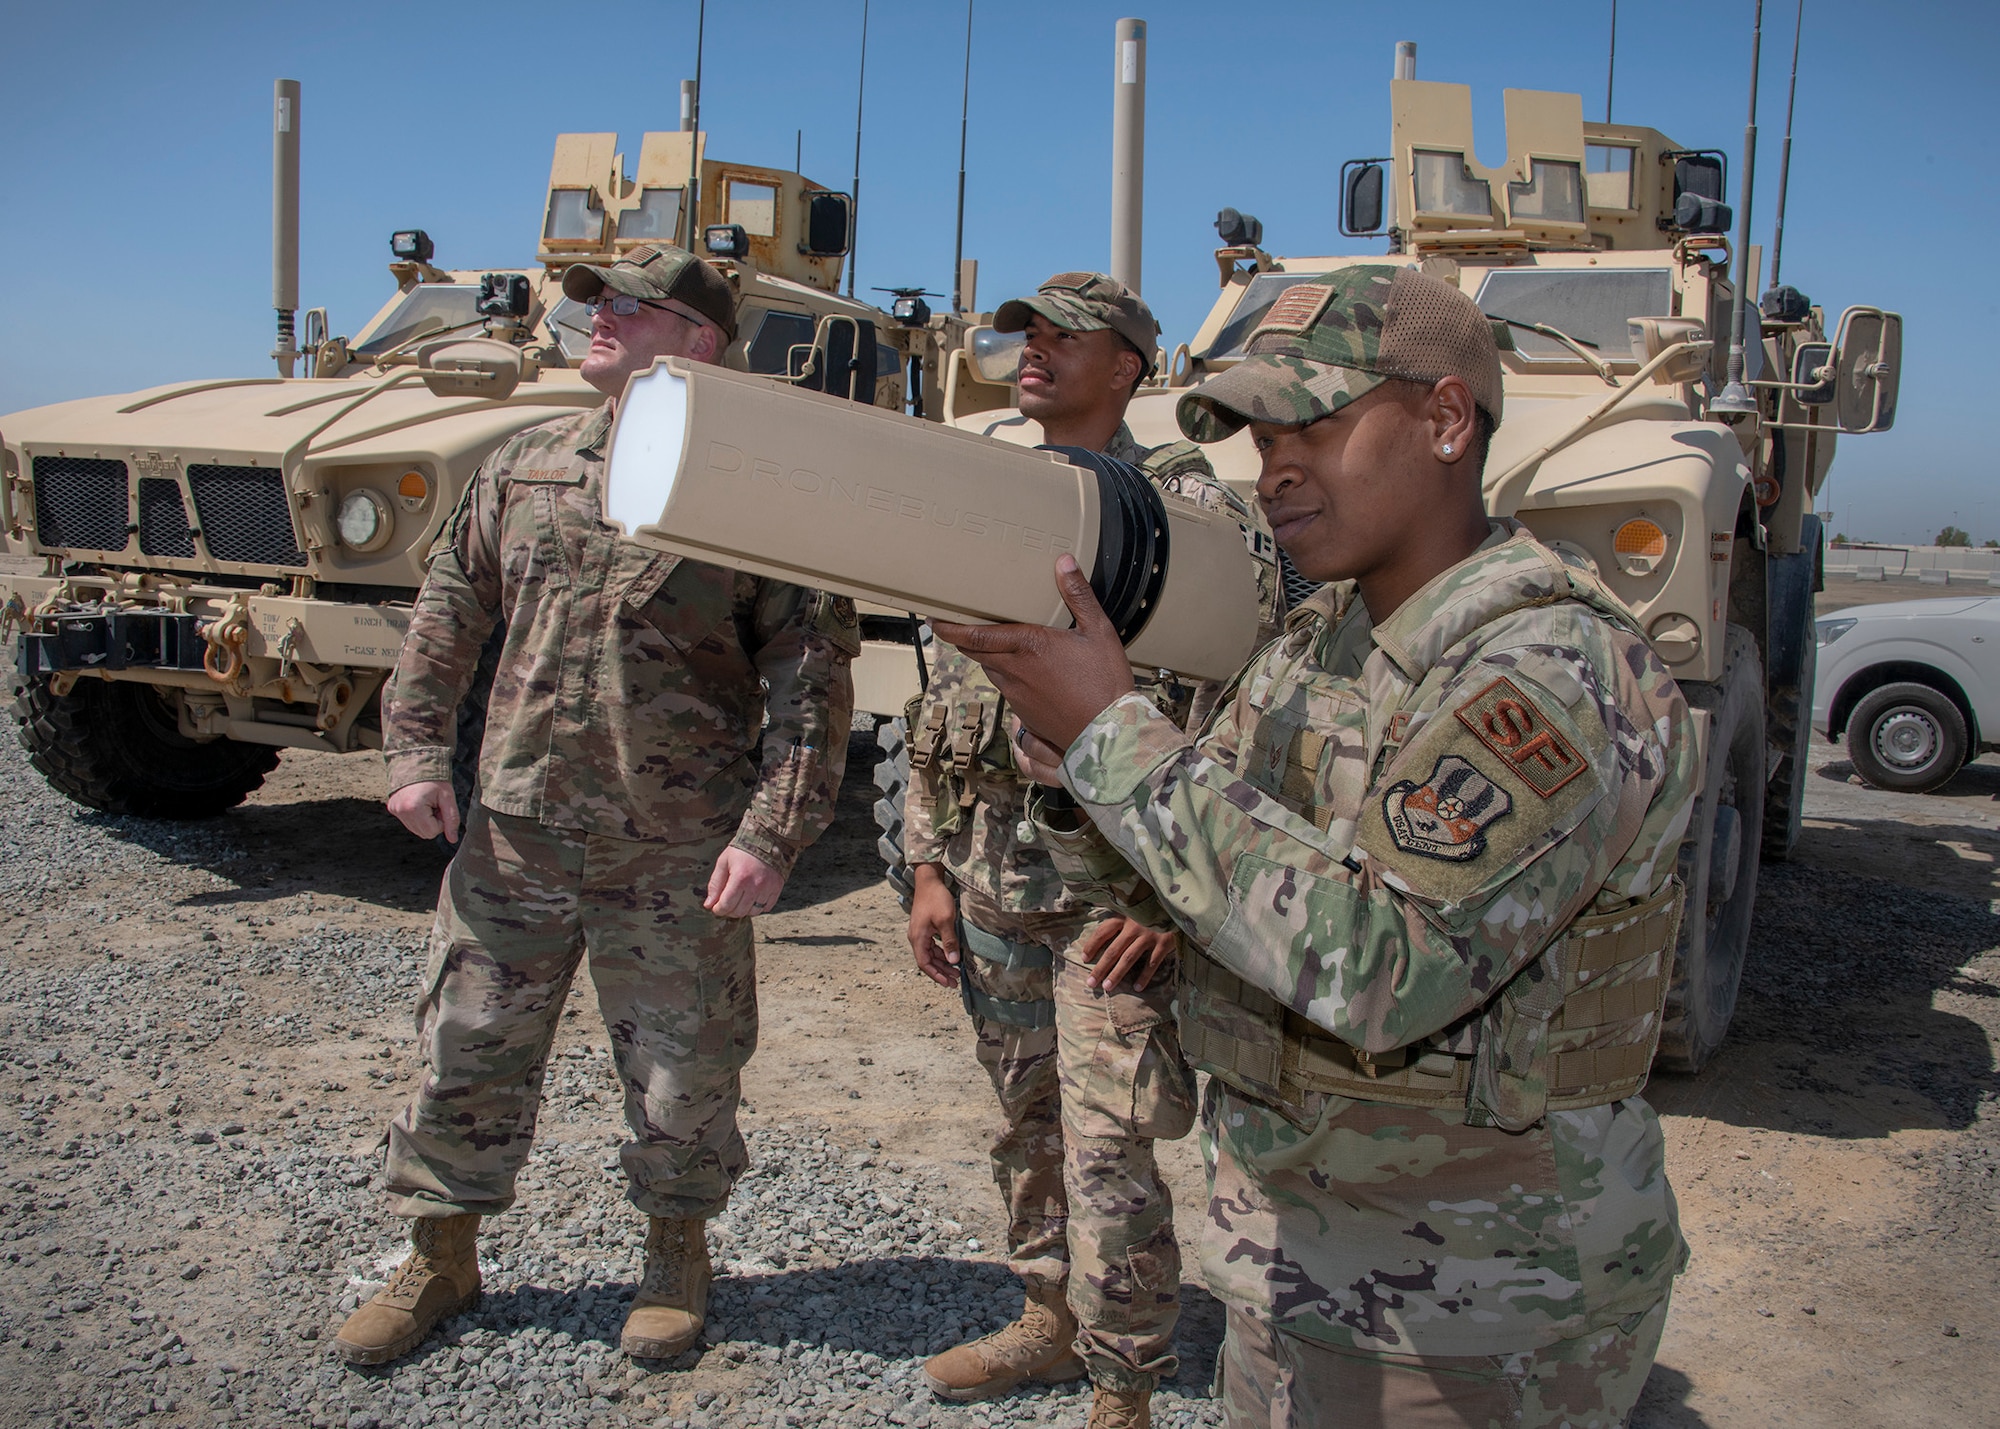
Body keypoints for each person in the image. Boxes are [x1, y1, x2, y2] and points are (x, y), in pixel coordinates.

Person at [934, 264, 1694, 1428]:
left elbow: (1382, 968)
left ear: (1445, 419)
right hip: (1296, 1261)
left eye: (1315, 424)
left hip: (1476, 1307)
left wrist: (1114, 735)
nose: (1272, 464)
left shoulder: (1549, 671)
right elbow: (1181, 883)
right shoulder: (1319, 637)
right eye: (1258, 433)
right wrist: (1069, 762)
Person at [333, 243, 860, 1366]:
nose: (600, 317)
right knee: (465, 1046)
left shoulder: (764, 488)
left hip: (673, 848)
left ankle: (675, 1253)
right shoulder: (527, 463)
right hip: (513, 829)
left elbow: (809, 679)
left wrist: (773, 832)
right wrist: (417, 749)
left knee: (684, 1069)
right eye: (596, 303)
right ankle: (439, 1253)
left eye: (633, 304)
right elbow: (447, 605)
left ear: (702, 340)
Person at [905, 272, 1277, 1429]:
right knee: (1024, 1116)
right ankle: (1046, 1317)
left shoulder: (1186, 513)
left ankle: (1125, 1381)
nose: (1034, 352)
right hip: (990, 878)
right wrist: (925, 861)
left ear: (1127, 365)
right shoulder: (990, 492)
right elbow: (940, 694)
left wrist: (1174, 905)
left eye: (1067, 338)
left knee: (1110, 1139)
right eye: (1024, 334)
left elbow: (1244, 717)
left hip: (1114, 898)